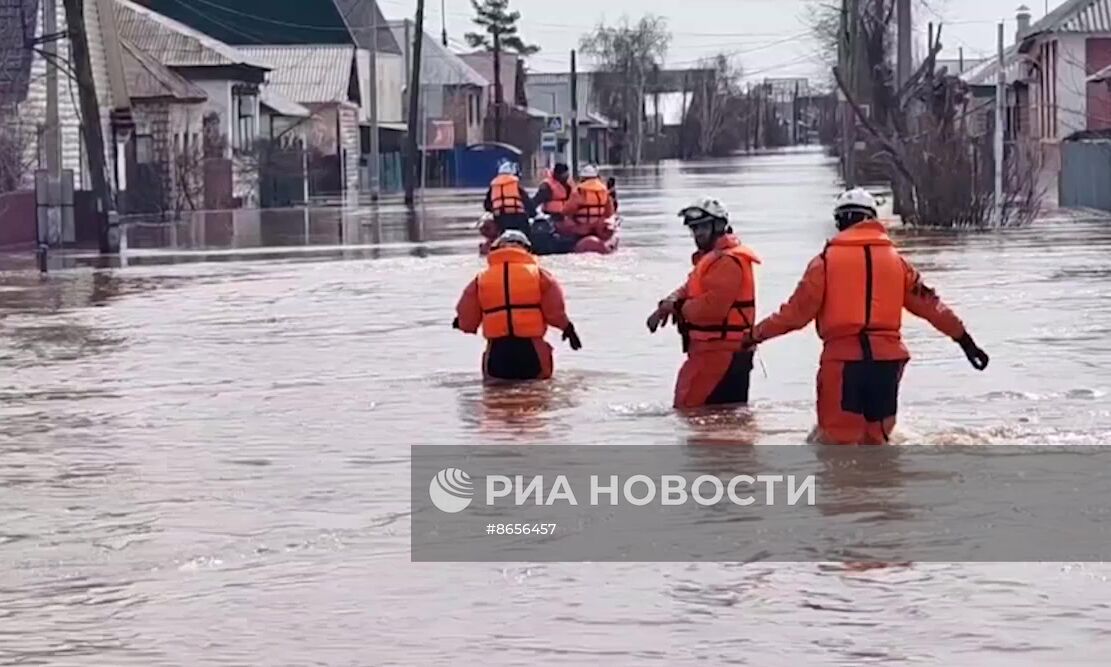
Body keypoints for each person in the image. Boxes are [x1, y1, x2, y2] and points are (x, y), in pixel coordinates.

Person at [740, 187, 990, 445]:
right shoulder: (898, 263)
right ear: (873, 220)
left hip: (844, 364)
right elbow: (933, 307)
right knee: (878, 443)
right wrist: (966, 341)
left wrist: (754, 335)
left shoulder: (824, 262)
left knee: (838, 447)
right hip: (887, 364)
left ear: (839, 222)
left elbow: (794, 315)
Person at [646, 197, 762, 409]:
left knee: (699, 416)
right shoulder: (711, 259)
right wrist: (669, 302)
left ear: (718, 226)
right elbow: (689, 287)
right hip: (711, 352)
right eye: (694, 229)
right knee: (705, 419)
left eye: (702, 227)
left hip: (722, 354)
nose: (697, 234)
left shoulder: (728, 261)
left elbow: (712, 309)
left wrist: (679, 308)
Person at [454, 230, 583, 381]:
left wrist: (460, 322)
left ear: (496, 249)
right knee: (538, 395)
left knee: (496, 397)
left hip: (497, 354)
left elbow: (468, 322)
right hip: (533, 351)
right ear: (527, 249)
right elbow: (555, 314)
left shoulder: (480, 280)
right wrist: (568, 328)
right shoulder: (541, 276)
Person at [561, 165, 615, 243]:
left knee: (563, 224)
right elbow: (609, 212)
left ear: (583, 177)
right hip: (599, 228)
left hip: (582, 228)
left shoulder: (578, 191)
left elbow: (567, 211)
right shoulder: (604, 190)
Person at [483, 161, 536, 234]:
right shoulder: (515, 184)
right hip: (518, 217)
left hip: (500, 218)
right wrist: (533, 214)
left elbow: (487, 205)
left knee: (497, 235)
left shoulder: (494, 186)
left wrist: (495, 209)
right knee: (528, 236)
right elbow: (527, 202)